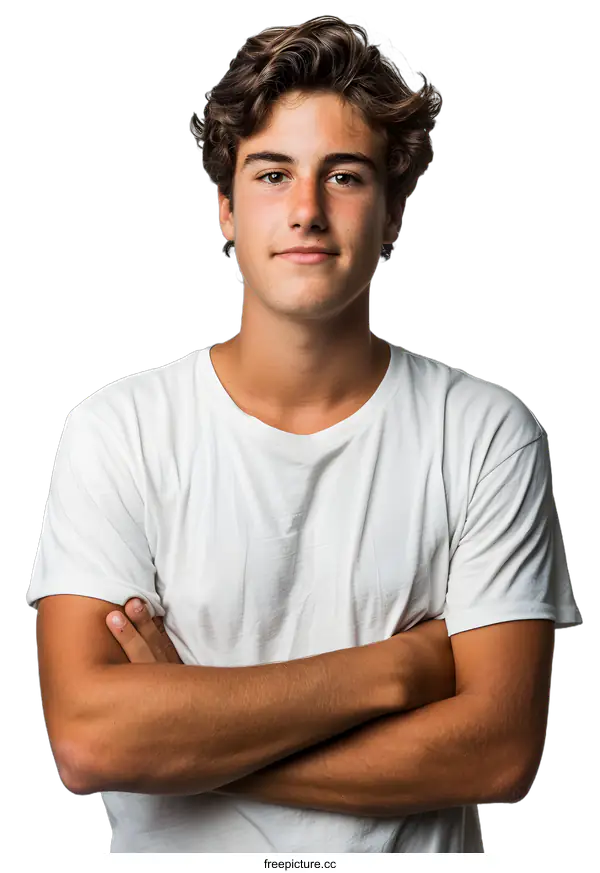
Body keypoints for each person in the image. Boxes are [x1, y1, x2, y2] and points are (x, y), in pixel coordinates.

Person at [27, 14, 582, 853]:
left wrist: (187, 736)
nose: (307, 211)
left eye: (345, 176)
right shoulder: (118, 432)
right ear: (225, 207)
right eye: (273, 173)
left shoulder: (486, 434)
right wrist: (398, 671)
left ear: (394, 211)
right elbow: (90, 742)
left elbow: (499, 753)